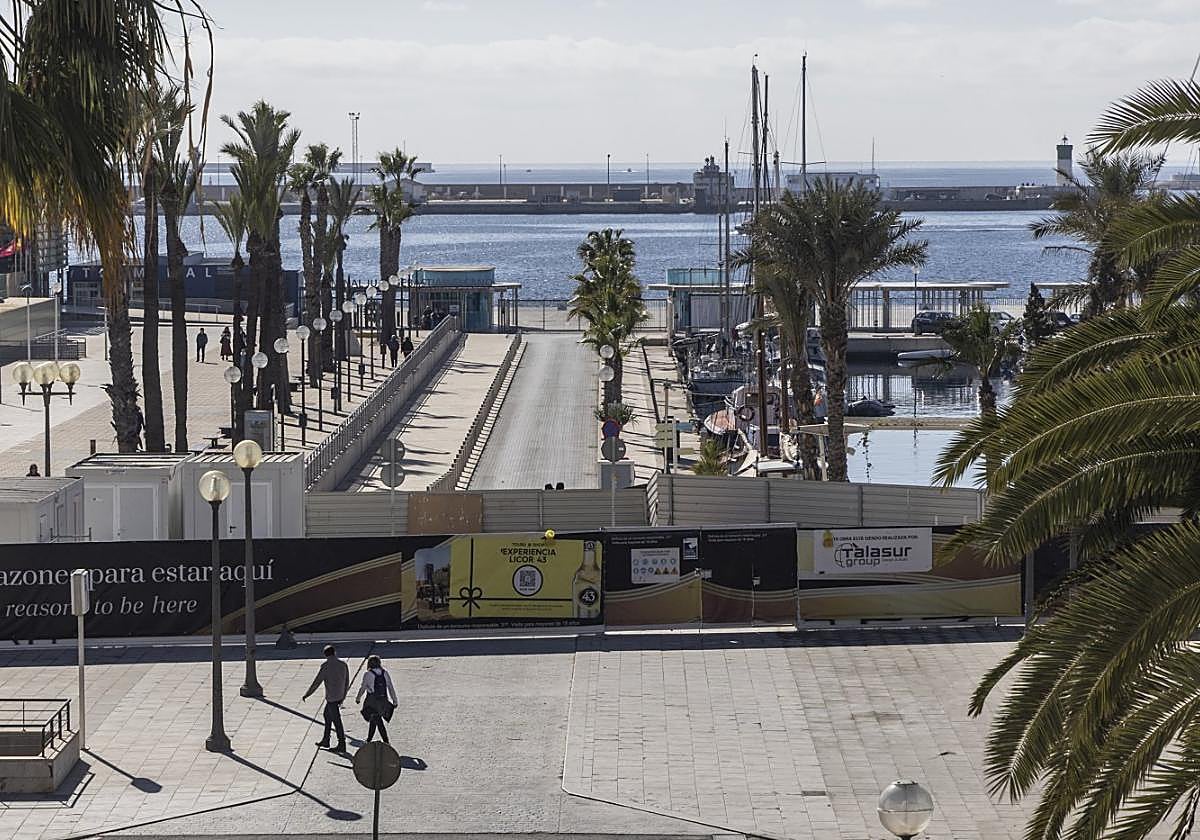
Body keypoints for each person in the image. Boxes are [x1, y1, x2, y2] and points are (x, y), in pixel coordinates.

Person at [302, 644, 350, 752]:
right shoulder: (343, 664)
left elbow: (317, 682)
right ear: (335, 652)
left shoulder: (325, 666)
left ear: (325, 655)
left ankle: (341, 744)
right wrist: (344, 696)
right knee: (326, 715)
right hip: (340, 695)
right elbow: (347, 681)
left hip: (331, 697)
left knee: (336, 721)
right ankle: (326, 739)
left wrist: (307, 694)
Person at [355, 654, 398, 743]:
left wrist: (358, 698)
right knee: (374, 719)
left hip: (372, 702)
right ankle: (369, 739)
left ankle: (386, 741)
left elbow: (363, 688)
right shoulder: (384, 673)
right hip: (383, 701)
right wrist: (394, 700)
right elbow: (390, 687)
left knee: (377, 720)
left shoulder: (368, 674)